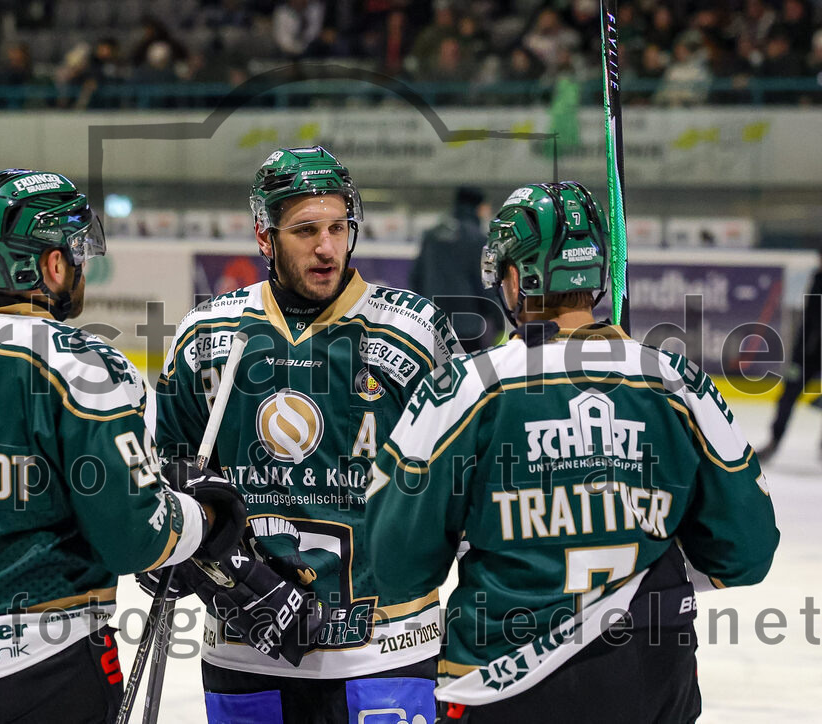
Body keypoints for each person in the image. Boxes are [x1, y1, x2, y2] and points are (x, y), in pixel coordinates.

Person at [367, 181, 780, 722]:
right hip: (651, 677)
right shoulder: (677, 383)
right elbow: (747, 553)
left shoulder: (467, 387)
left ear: (515, 278)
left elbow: (394, 563)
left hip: (501, 681)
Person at [0, 169, 246, 724]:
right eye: (74, 250)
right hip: (44, 670)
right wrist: (203, 514)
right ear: (50, 264)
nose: (80, 264)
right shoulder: (81, 368)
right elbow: (134, 536)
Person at [155, 146, 462, 723]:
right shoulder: (208, 335)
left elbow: (463, 486)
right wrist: (203, 564)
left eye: (338, 227)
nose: (327, 247)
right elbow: (162, 484)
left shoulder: (414, 332)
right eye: (305, 230)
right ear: (265, 239)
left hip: (387, 651)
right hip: (246, 654)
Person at [410, 186, 502, 353]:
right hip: (467, 326)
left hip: (431, 324)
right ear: (479, 207)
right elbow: (486, 283)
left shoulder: (431, 235)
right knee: (465, 374)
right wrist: (496, 317)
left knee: (434, 376)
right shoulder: (481, 239)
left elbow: (416, 277)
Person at [759, 248, 822, 462]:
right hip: (806, 353)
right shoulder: (817, 278)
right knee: (787, 396)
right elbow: (809, 319)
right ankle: (774, 440)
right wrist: (798, 352)